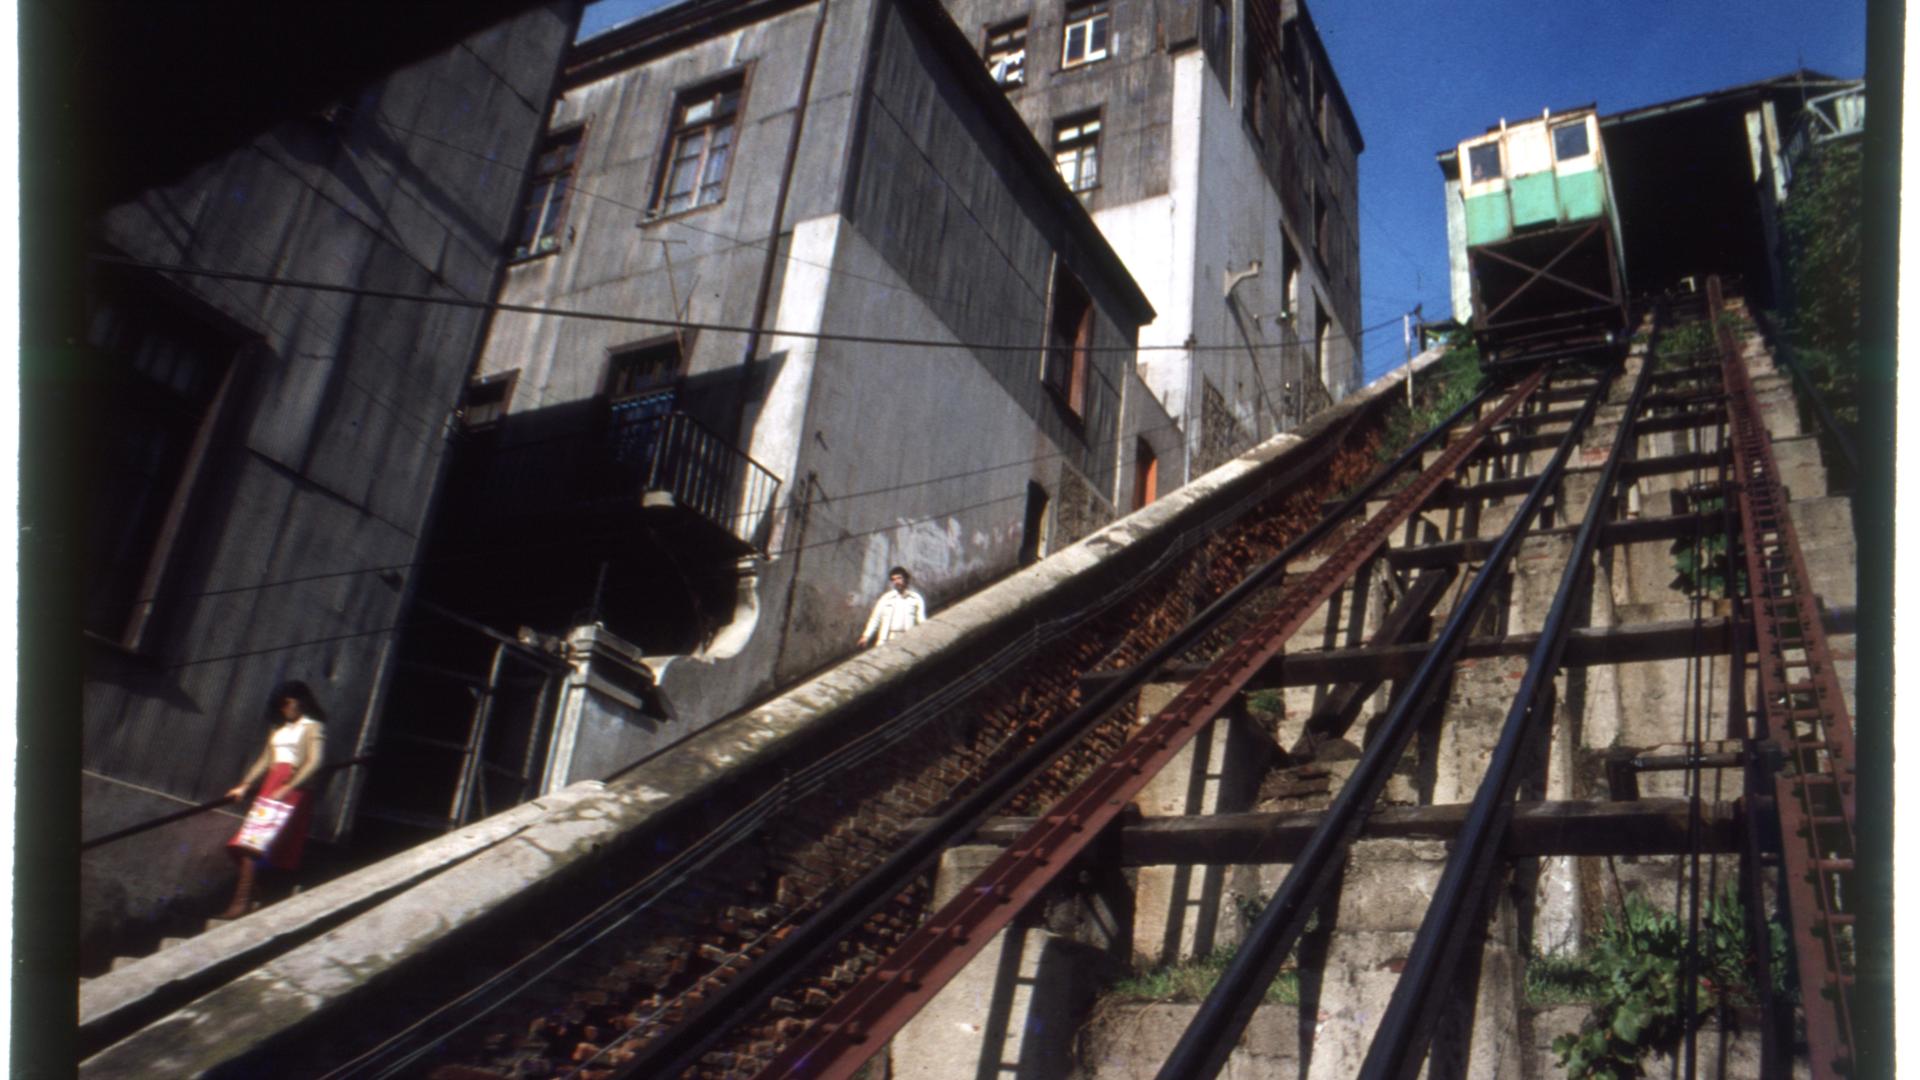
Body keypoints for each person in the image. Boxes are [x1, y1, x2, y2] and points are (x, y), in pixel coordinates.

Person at [218, 681, 328, 918]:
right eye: (282, 703)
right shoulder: (278, 729)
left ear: (303, 700)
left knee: (252, 843)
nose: (287, 706)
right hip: (271, 785)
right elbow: (265, 760)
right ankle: (256, 897)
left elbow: (315, 761)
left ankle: (243, 901)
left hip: (292, 788)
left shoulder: (312, 727)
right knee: (251, 843)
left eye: (290, 700)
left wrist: (290, 785)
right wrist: (245, 785)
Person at [857, 566, 927, 648]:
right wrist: (866, 636)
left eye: (899, 578)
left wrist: (924, 637)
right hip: (887, 639)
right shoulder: (886, 598)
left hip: (907, 640)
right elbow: (875, 619)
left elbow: (921, 621)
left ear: (905, 579)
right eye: (893, 579)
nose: (896, 582)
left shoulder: (916, 598)